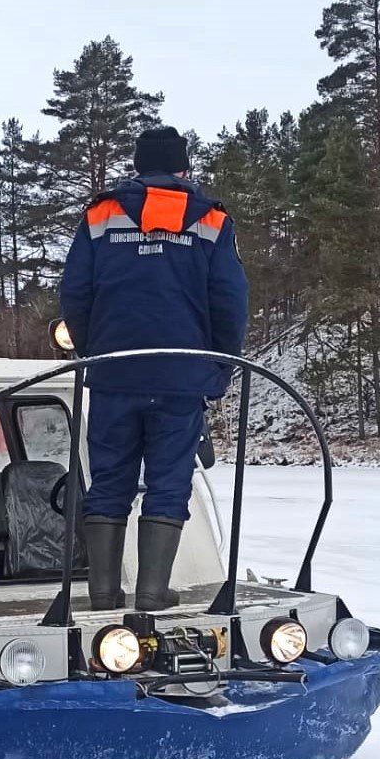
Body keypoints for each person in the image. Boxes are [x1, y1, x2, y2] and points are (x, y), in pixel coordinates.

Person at [59, 125, 249, 611]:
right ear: (184, 169)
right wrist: (220, 365)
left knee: (108, 480)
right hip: (181, 376)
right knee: (168, 480)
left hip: (113, 373)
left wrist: (92, 350)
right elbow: (229, 302)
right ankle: (151, 592)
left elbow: (75, 293)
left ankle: (102, 592)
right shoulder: (210, 221)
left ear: (138, 168)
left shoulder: (101, 216)